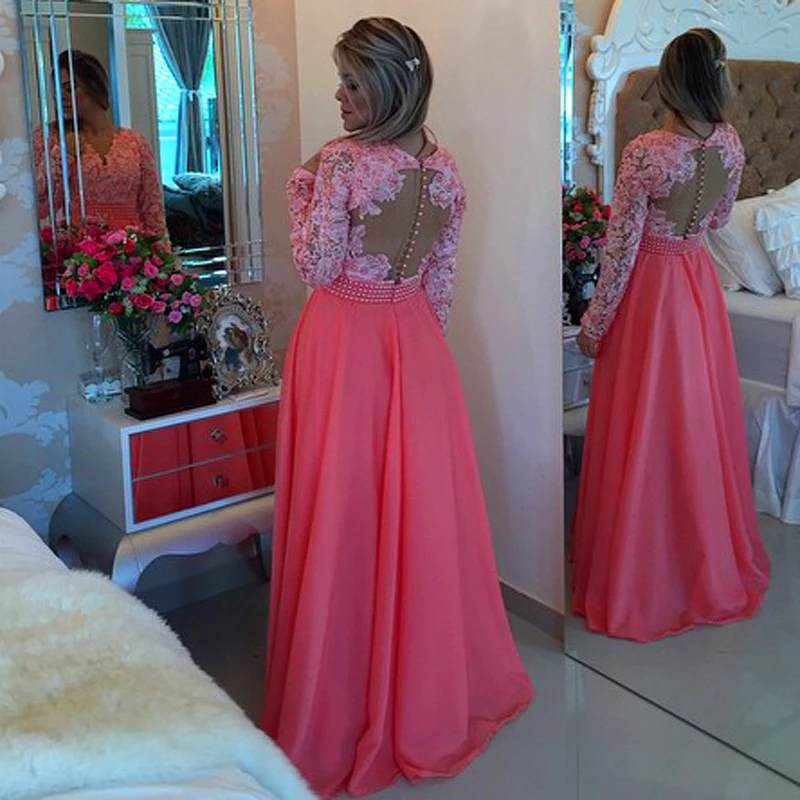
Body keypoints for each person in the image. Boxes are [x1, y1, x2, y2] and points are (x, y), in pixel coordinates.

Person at [262, 17, 533, 797]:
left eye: (352, 82)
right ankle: (419, 684)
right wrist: (415, 355)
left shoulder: (341, 163)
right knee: (412, 515)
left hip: (345, 344)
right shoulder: (445, 170)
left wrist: (301, 184)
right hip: (415, 345)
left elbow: (316, 265)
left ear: (388, 84)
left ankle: (343, 691)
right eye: (341, 81)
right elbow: (440, 284)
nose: (340, 96)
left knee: (346, 509)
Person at [571, 28, 770, 642]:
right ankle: (696, 560)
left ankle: (644, 570)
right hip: (695, 283)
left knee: (646, 424)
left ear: (670, 79)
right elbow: (717, 217)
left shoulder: (647, 152)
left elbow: (621, 246)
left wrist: (594, 323)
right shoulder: (729, 143)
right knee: (691, 421)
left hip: (652, 291)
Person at [33, 50, 166, 235]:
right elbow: (39, 207)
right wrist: (63, 155)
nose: (61, 97)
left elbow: (153, 211)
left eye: (70, 88)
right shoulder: (50, 137)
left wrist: (162, 251)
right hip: (78, 248)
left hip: (132, 249)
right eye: (57, 91)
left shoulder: (135, 143)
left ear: (95, 87)